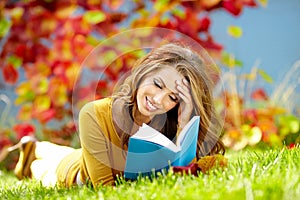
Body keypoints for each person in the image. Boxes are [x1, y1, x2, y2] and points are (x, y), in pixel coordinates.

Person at [4, 43, 225, 188]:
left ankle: (34, 146)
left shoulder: (170, 124)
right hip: (75, 173)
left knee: (63, 152)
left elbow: (189, 172)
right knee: (43, 168)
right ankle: (32, 151)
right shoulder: (94, 113)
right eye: (157, 84)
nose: (158, 100)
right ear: (143, 74)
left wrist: (185, 122)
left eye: (173, 98)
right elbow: (106, 189)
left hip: (83, 154)